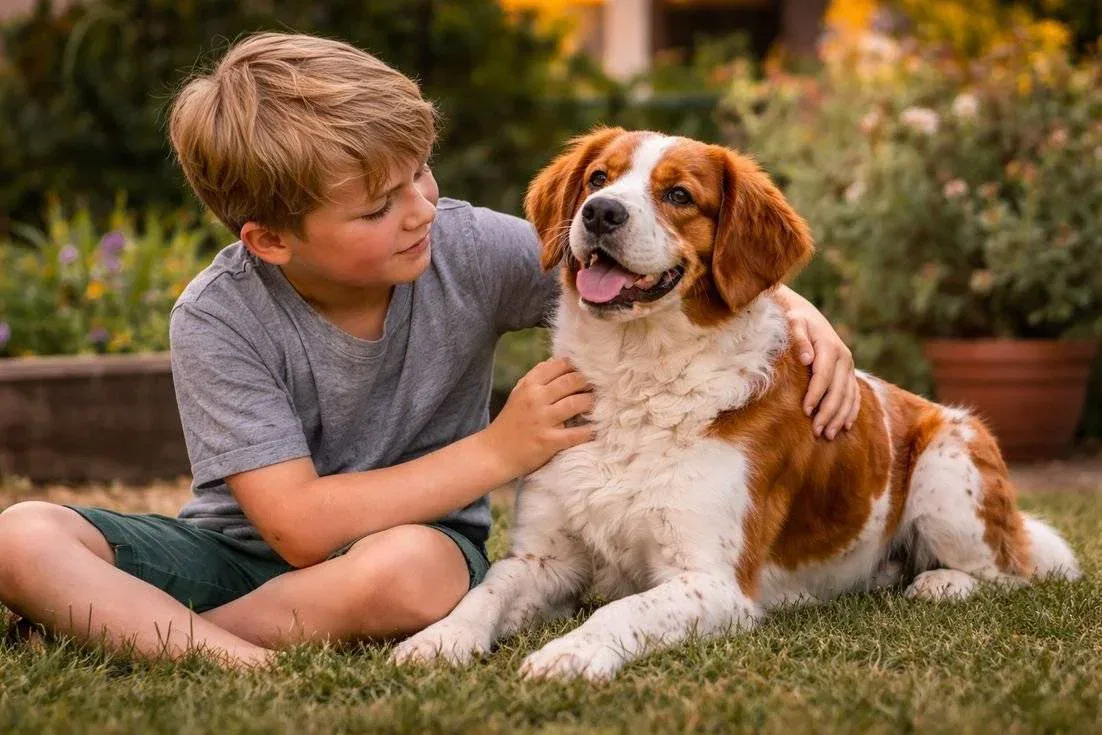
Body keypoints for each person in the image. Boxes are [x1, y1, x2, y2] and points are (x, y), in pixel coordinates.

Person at [0, 33, 860, 667]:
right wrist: (499, 449)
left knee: (413, 572)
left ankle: (163, 636)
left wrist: (802, 312)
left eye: (422, 174)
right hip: (235, 553)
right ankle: (217, 640)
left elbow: (660, 262)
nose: (418, 209)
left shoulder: (462, 249)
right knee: (20, 534)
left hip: (409, 550)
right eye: (378, 207)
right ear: (269, 240)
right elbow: (294, 527)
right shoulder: (216, 317)